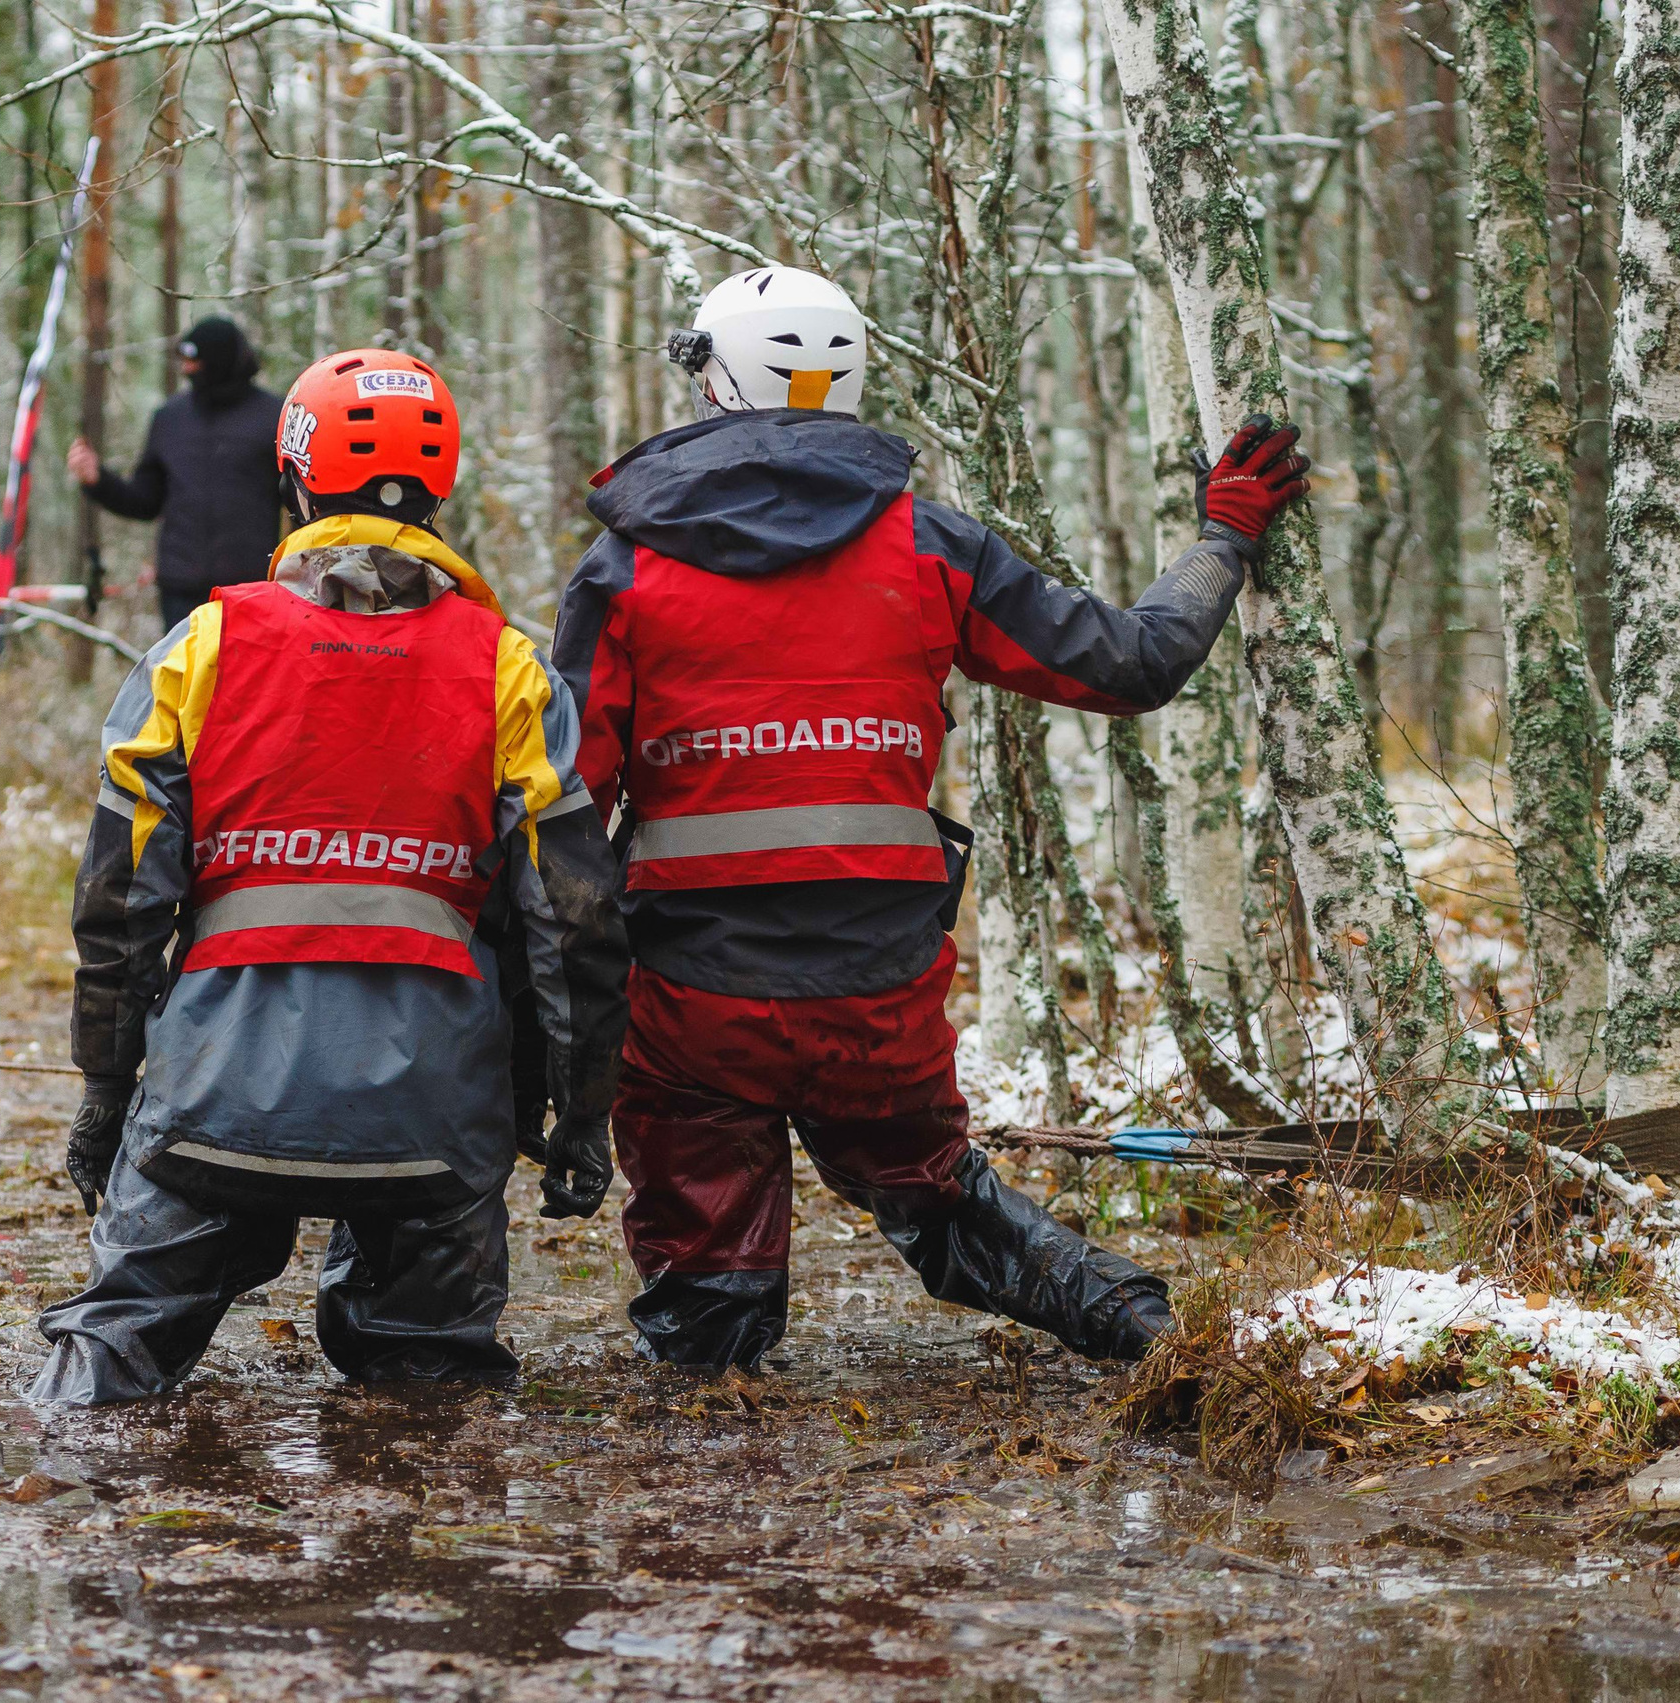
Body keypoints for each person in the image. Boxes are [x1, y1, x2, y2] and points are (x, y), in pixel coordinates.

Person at [550, 266, 1311, 1371]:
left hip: (690, 1006)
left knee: (707, 1278)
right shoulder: (929, 545)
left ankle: (709, 1457)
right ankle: (1158, 1339)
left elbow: (565, 808)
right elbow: (1134, 661)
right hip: (880, 994)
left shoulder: (623, 568)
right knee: (939, 1200)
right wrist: (1225, 537)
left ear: (712, 377)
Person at [35, 347, 629, 1405]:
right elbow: (572, 919)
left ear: (296, 478)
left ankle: (63, 1521)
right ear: (438, 489)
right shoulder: (508, 670)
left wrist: (105, 1086)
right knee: (428, 1394)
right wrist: (577, 1108)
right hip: (434, 1122)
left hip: (211, 1101)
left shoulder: (199, 648)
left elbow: (121, 899)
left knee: (103, 1369)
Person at [68, 317, 287, 632]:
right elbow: (145, 502)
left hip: (252, 590)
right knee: (182, 681)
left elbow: (299, 501)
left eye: (194, 361)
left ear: (220, 362)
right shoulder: (169, 419)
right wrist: (98, 481)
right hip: (180, 590)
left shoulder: (274, 416)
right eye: (183, 360)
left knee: (247, 682)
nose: (186, 369)